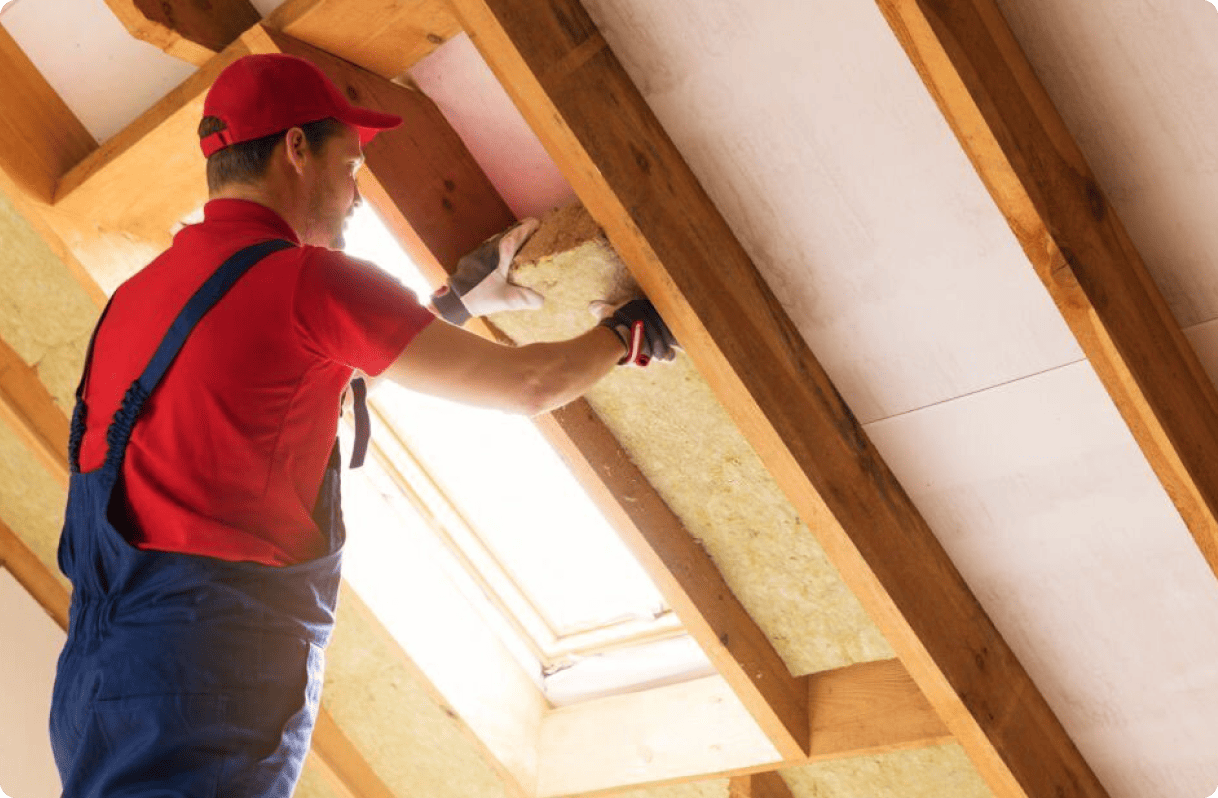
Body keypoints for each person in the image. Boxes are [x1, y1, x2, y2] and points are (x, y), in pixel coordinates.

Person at [49, 53, 676, 798]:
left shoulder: (136, 296)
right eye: (351, 166)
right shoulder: (309, 281)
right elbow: (528, 385)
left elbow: (295, 376)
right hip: (207, 678)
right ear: (295, 150)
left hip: (99, 684)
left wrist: (456, 308)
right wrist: (625, 334)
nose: (354, 195)